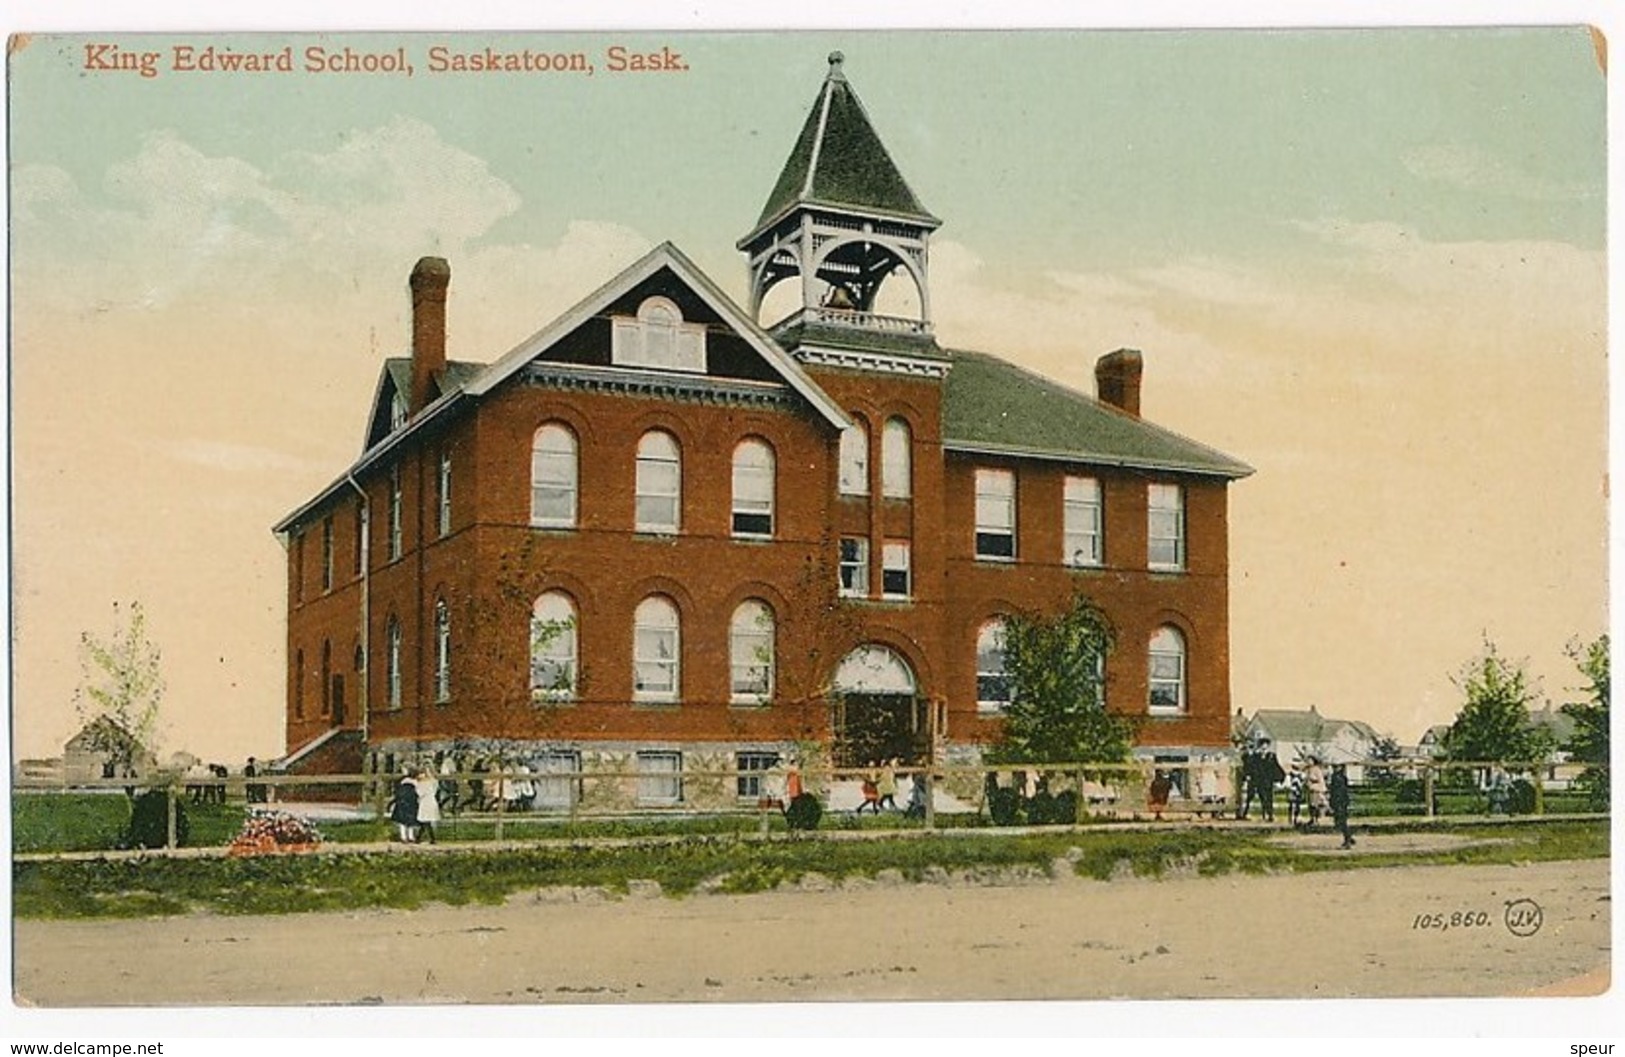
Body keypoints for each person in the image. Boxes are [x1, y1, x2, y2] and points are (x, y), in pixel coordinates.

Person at [1329, 763, 1356, 848]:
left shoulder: (1338, 777)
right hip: (1339, 801)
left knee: (1341, 821)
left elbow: (1339, 791)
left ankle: (1347, 839)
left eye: (1336, 767)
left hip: (1340, 801)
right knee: (1340, 822)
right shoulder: (1337, 776)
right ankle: (1348, 837)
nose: (1335, 768)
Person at [388, 772, 420, 843]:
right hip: (411, 803)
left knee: (402, 822)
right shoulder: (416, 783)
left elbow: (397, 794)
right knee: (410, 821)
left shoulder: (401, 782)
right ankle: (411, 836)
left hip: (402, 803)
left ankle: (403, 837)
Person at [1258, 743, 1286, 822]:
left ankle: (1270, 815)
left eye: (1265, 747)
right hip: (1260, 780)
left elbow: (1276, 766)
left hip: (1268, 780)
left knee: (1269, 798)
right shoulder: (1257, 756)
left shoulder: (1271, 756)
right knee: (1262, 798)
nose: (1263, 749)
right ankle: (1263, 814)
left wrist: (1280, 778)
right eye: (1262, 747)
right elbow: (1254, 767)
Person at [413, 768, 440, 844]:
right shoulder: (429, 783)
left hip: (426, 803)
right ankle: (422, 838)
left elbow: (420, 793)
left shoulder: (423, 784)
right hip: (428, 802)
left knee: (426, 821)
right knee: (425, 822)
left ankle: (426, 838)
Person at [1306, 758, 1329, 827]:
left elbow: (1319, 779)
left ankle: (1316, 820)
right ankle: (1312, 819)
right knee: (1311, 805)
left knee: (1315, 805)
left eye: (1310, 760)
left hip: (1316, 789)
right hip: (1311, 789)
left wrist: (1312, 779)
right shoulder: (1309, 769)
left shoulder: (1317, 769)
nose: (1309, 762)